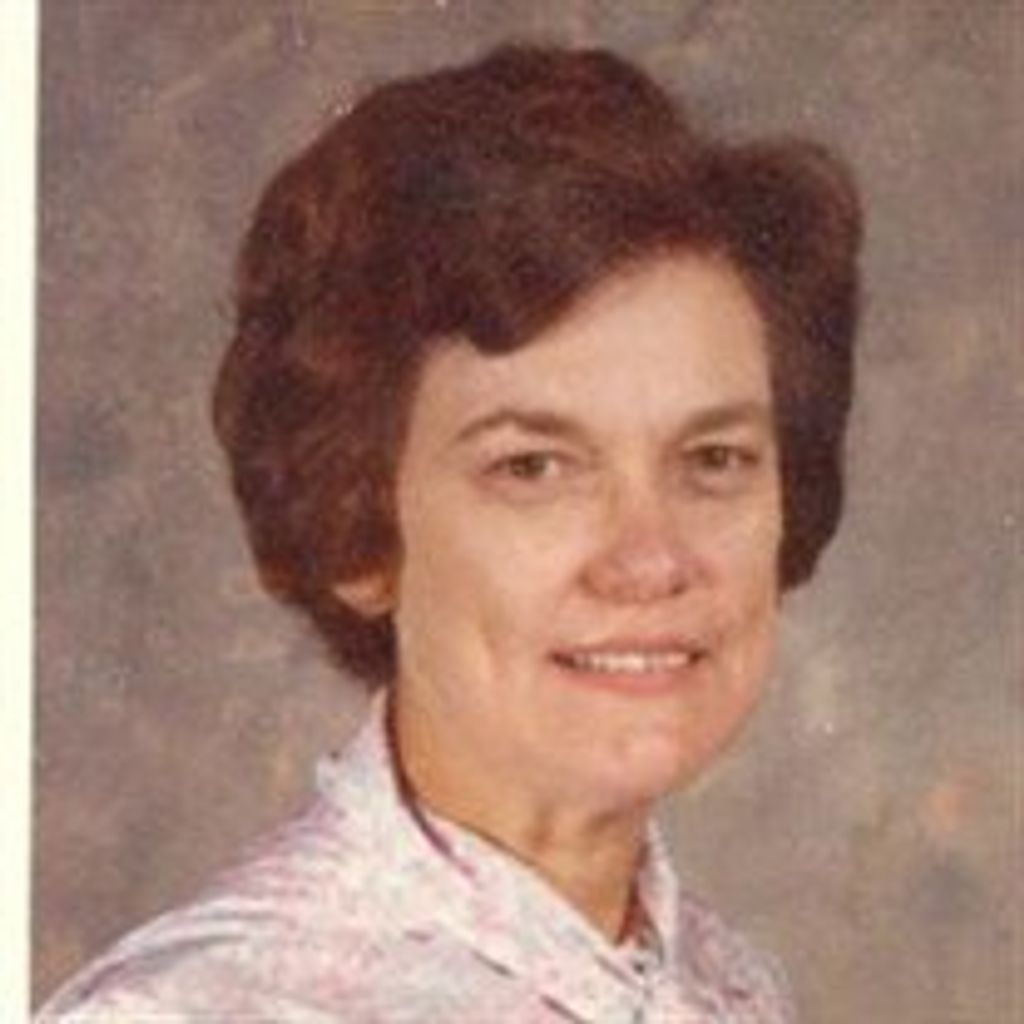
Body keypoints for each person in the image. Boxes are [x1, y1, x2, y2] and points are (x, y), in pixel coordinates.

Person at [37, 42, 860, 1023]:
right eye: (534, 467)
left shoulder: (731, 991)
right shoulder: (196, 1010)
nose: (651, 558)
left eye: (714, 459)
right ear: (357, 528)